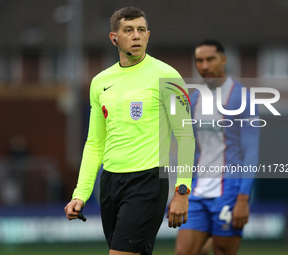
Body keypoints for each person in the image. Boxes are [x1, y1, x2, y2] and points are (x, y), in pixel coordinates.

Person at [64, 7, 195, 255]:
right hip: (110, 183)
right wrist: (80, 193)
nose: (136, 36)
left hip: (148, 181)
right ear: (114, 38)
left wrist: (182, 190)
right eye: (128, 30)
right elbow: (94, 144)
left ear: (148, 35)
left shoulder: (168, 76)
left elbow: (186, 137)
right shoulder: (100, 82)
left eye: (141, 30)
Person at [175, 39, 260, 255]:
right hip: (197, 190)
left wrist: (243, 198)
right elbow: (190, 151)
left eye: (210, 59)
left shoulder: (241, 97)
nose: (204, 66)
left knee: (222, 251)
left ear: (223, 60)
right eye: (199, 61)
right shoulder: (193, 100)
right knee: (183, 252)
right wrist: (180, 191)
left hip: (228, 191)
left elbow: (251, 150)